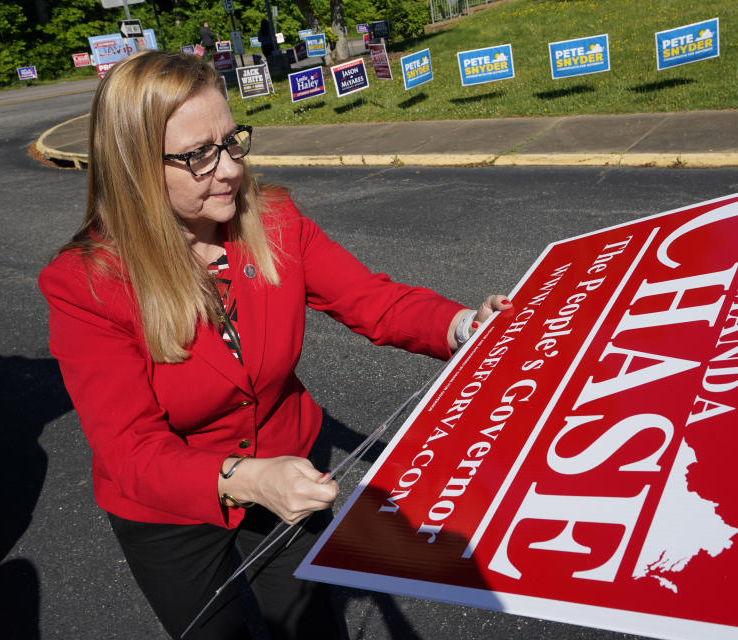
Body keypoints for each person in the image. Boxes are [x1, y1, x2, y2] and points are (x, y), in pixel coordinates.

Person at [39, 50, 511, 640]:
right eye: (198, 156)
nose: (231, 170)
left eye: (232, 140)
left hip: (288, 462)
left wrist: (467, 325)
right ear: (134, 166)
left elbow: (374, 302)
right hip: (169, 508)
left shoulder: (274, 219)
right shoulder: (86, 283)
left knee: (312, 625)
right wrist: (249, 479)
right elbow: (131, 450)